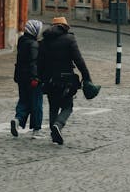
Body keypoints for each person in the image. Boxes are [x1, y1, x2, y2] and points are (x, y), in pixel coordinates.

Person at [39, 16, 92, 145]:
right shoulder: (69, 39)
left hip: (50, 80)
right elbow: (78, 60)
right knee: (68, 106)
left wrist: (41, 80)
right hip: (66, 80)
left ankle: (54, 134)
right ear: (65, 27)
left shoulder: (43, 41)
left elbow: (40, 63)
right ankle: (58, 124)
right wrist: (87, 77)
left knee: (53, 107)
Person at [11, 19, 44, 139]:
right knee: (36, 103)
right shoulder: (34, 44)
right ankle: (36, 130)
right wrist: (35, 77)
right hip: (32, 78)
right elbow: (34, 62)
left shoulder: (21, 41)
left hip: (20, 76)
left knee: (23, 100)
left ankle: (18, 119)